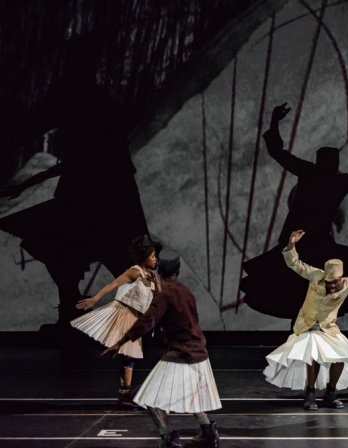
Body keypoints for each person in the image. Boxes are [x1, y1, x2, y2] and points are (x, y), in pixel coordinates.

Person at [0, 36, 148, 327]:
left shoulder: (78, 99)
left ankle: (81, 307)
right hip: (106, 192)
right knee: (82, 248)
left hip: (93, 194)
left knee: (80, 247)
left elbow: (37, 128)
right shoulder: (96, 100)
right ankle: (75, 307)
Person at [241, 103, 348, 320]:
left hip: (300, 240)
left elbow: (277, 152)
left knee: (292, 283)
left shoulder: (309, 172)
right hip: (316, 242)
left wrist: (274, 122)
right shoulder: (338, 182)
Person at [102, 249, 221, 448]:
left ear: (159, 270)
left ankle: (170, 438)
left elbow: (146, 322)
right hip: (198, 352)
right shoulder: (186, 292)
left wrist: (121, 342)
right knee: (192, 396)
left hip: (180, 354)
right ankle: (209, 433)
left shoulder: (165, 296)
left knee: (150, 399)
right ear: (178, 271)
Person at [263, 229, 348, 410]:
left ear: (341, 278)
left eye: (334, 282)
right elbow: (295, 264)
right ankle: (310, 394)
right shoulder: (316, 276)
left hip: (328, 328)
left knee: (342, 357)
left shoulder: (347, 284)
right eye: (328, 281)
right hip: (307, 325)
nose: (331, 285)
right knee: (314, 355)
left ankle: (330, 393)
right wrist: (291, 244)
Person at [71, 234, 159, 407]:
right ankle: (125, 396)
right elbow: (113, 284)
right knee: (130, 355)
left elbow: (160, 300)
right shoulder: (135, 271)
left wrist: (156, 283)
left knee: (128, 356)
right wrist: (95, 299)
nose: (155, 259)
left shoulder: (151, 276)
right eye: (152, 256)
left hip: (136, 318)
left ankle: (124, 395)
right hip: (124, 313)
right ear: (144, 258)